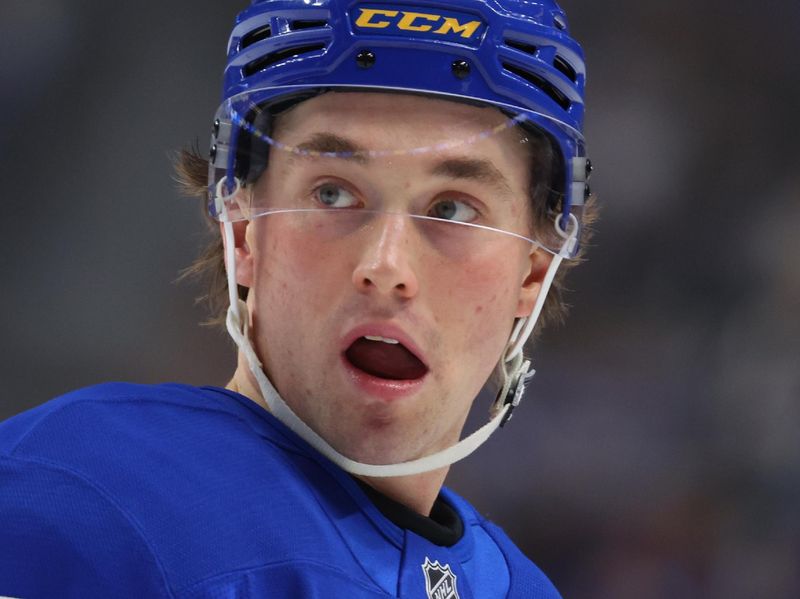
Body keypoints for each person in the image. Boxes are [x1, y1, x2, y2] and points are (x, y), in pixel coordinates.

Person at [0, 1, 594, 597]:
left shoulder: (519, 588)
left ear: (533, 274)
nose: (386, 267)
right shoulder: (74, 496)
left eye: (452, 209)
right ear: (242, 229)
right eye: (333, 194)